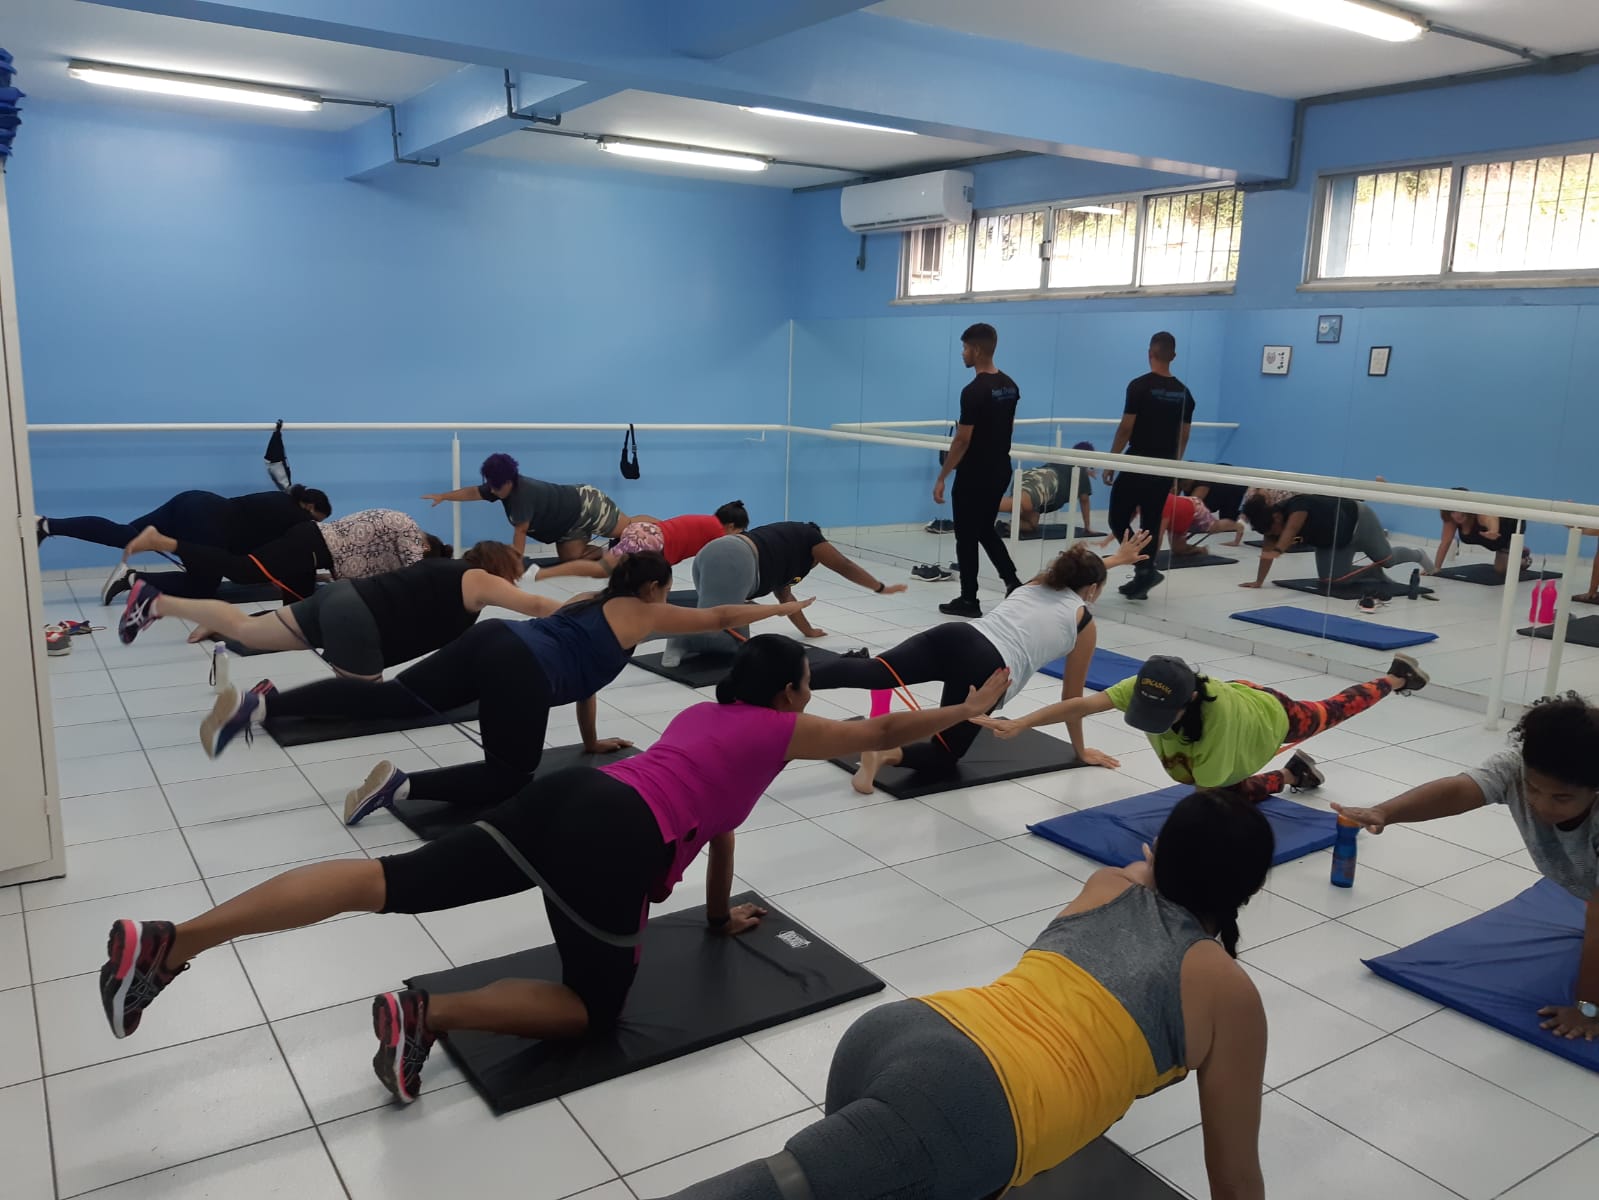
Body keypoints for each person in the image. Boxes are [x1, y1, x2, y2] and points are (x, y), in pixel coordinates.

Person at [98, 639, 1012, 1104]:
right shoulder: (779, 729)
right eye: (805, 684)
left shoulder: (702, 721)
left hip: (572, 796)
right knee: (590, 1011)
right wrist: (964, 709)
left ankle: (174, 942)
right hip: (613, 839)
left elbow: (720, 830)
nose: (809, 697)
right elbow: (876, 730)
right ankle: (425, 1015)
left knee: (388, 882)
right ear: (787, 694)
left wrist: (719, 914)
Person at [659, 788, 1271, 1200]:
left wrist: (1159, 864)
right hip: (966, 1106)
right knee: (793, 1185)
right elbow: (1236, 1182)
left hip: (904, 1032)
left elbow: (1146, 874)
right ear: (1247, 891)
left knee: (802, 1182)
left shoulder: (1109, 884)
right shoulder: (1230, 993)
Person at [198, 553, 813, 815]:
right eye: (666, 587)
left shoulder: (592, 603)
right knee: (510, 777)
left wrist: (591, 741)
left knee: (391, 699)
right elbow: (717, 614)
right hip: (520, 670)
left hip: (495, 641)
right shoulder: (644, 613)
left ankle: (261, 708)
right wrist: (780, 609)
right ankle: (401, 786)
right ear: (653, 588)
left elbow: (587, 678)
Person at [1332, 693, 1598, 1041]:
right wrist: (1385, 812)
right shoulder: (1516, 766)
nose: (1542, 805)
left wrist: (1588, 1009)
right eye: (1533, 789)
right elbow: (1459, 791)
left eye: (1561, 798)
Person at [809, 538, 1148, 793]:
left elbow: (1073, 572)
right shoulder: (1083, 622)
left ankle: (789, 680)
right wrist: (1080, 750)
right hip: (987, 669)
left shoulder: (1038, 582)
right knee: (944, 756)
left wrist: (1116, 559)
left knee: (876, 672)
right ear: (1092, 588)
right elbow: (1072, 698)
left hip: (957, 635)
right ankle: (882, 755)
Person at [979, 652, 1431, 803]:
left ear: (1189, 701)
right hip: (1233, 695)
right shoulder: (1148, 685)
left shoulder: (1219, 726)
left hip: (1270, 714)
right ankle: (1295, 775)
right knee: (1226, 788)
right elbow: (1081, 703)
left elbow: (1206, 801)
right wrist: (1021, 722)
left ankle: (1395, 679)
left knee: (1331, 711)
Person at [118, 541, 556, 680]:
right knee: (363, 704)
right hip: (357, 621)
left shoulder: (446, 569)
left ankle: (157, 601)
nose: (513, 582)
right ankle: (266, 707)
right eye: (512, 574)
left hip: (339, 597)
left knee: (246, 630)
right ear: (499, 568)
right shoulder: (478, 579)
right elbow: (535, 604)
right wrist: (585, 606)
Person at [37, 486, 332, 605]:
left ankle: (47, 525)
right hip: (207, 523)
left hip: (193, 500)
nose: (313, 525)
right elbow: (288, 557)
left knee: (126, 535)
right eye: (316, 519)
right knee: (202, 587)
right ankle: (132, 579)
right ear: (308, 507)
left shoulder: (278, 498)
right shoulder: (296, 518)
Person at [663, 520, 907, 664]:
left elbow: (786, 598)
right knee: (721, 628)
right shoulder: (811, 537)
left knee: (725, 627)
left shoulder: (785, 554)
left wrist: (808, 631)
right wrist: (880, 587)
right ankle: (678, 639)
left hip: (714, 553)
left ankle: (684, 639)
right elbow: (844, 565)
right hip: (734, 558)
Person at [110, 508, 439, 603]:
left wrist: (330, 575)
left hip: (315, 551)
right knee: (243, 571)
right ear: (426, 546)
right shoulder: (408, 530)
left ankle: (135, 579)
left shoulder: (397, 536)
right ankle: (165, 543)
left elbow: (367, 572)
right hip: (310, 546)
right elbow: (417, 575)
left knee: (299, 608)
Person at [932, 323, 1024, 618]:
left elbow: (962, 440)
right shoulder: (1010, 386)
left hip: (975, 473)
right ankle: (1013, 582)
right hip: (1000, 469)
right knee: (984, 528)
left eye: (965, 348)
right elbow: (1008, 428)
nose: (963, 353)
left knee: (966, 536)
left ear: (977, 349)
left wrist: (943, 476)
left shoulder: (973, 391)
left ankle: (969, 599)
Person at [1104, 332, 1196, 601]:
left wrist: (1112, 460)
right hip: (1163, 465)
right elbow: (1184, 435)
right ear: (1173, 356)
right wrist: (1175, 467)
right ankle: (1144, 573)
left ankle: (1144, 569)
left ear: (1150, 354)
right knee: (1151, 522)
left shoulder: (1139, 386)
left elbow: (1126, 428)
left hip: (1138, 461)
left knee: (1117, 518)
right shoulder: (1184, 393)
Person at [423, 453, 638, 562]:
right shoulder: (498, 486)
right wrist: (444, 496)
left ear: (510, 481)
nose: (493, 491)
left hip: (586, 505)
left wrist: (515, 566)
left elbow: (520, 533)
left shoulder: (522, 495)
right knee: (570, 559)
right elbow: (474, 492)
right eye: (491, 486)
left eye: (497, 487)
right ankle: (618, 552)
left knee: (630, 529)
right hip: (567, 525)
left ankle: (657, 529)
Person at [1240, 493, 1429, 589]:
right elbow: (1266, 553)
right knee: (1331, 581)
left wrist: (1278, 550)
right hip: (1334, 540)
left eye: (1274, 530)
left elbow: (1292, 528)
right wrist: (1258, 581)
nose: (1275, 535)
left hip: (1360, 522)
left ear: (1277, 517)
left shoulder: (1298, 505)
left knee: (1387, 560)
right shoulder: (1269, 525)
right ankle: (1372, 572)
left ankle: (1419, 555)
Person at [534, 502, 750, 580]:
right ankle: (543, 574)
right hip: (650, 539)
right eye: (738, 532)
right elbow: (722, 560)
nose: (735, 538)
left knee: (617, 568)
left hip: (645, 531)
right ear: (731, 526)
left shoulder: (706, 521)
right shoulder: (717, 531)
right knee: (602, 570)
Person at [996, 444, 1096, 535]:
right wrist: (1087, 526)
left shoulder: (1061, 461)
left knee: (1032, 524)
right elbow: (1084, 500)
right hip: (1045, 480)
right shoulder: (1079, 470)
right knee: (1018, 504)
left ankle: (1006, 526)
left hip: (1031, 475)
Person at [1436, 489, 1533, 579]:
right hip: (1494, 541)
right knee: (1500, 569)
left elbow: (1491, 518)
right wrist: (1436, 568)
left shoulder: (1480, 512)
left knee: (1503, 570)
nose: (1457, 515)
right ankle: (1513, 552)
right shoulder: (1452, 519)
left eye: (1459, 509)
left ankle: (1524, 558)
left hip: (1509, 527)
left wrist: (1493, 531)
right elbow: (1445, 542)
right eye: (1452, 511)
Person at [1161, 492, 1248, 558]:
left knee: (1214, 527)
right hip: (1179, 515)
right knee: (1177, 550)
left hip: (1194, 507)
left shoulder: (1164, 505)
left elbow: (1159, 535)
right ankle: (1201, 549)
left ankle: (1238, 526)